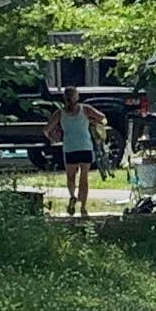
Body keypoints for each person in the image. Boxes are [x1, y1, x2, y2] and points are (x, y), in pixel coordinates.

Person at [48, 89, 108, 217]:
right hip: (85, 146)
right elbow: (103, 118)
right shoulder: (85, 109)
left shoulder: (59, 113)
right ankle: (83, 207)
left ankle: (72, 196)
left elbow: (46, 130)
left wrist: (54, 138)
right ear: (77, 97)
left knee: (70, 176)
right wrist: (93, 122)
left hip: (70, 148)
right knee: (84, 177)